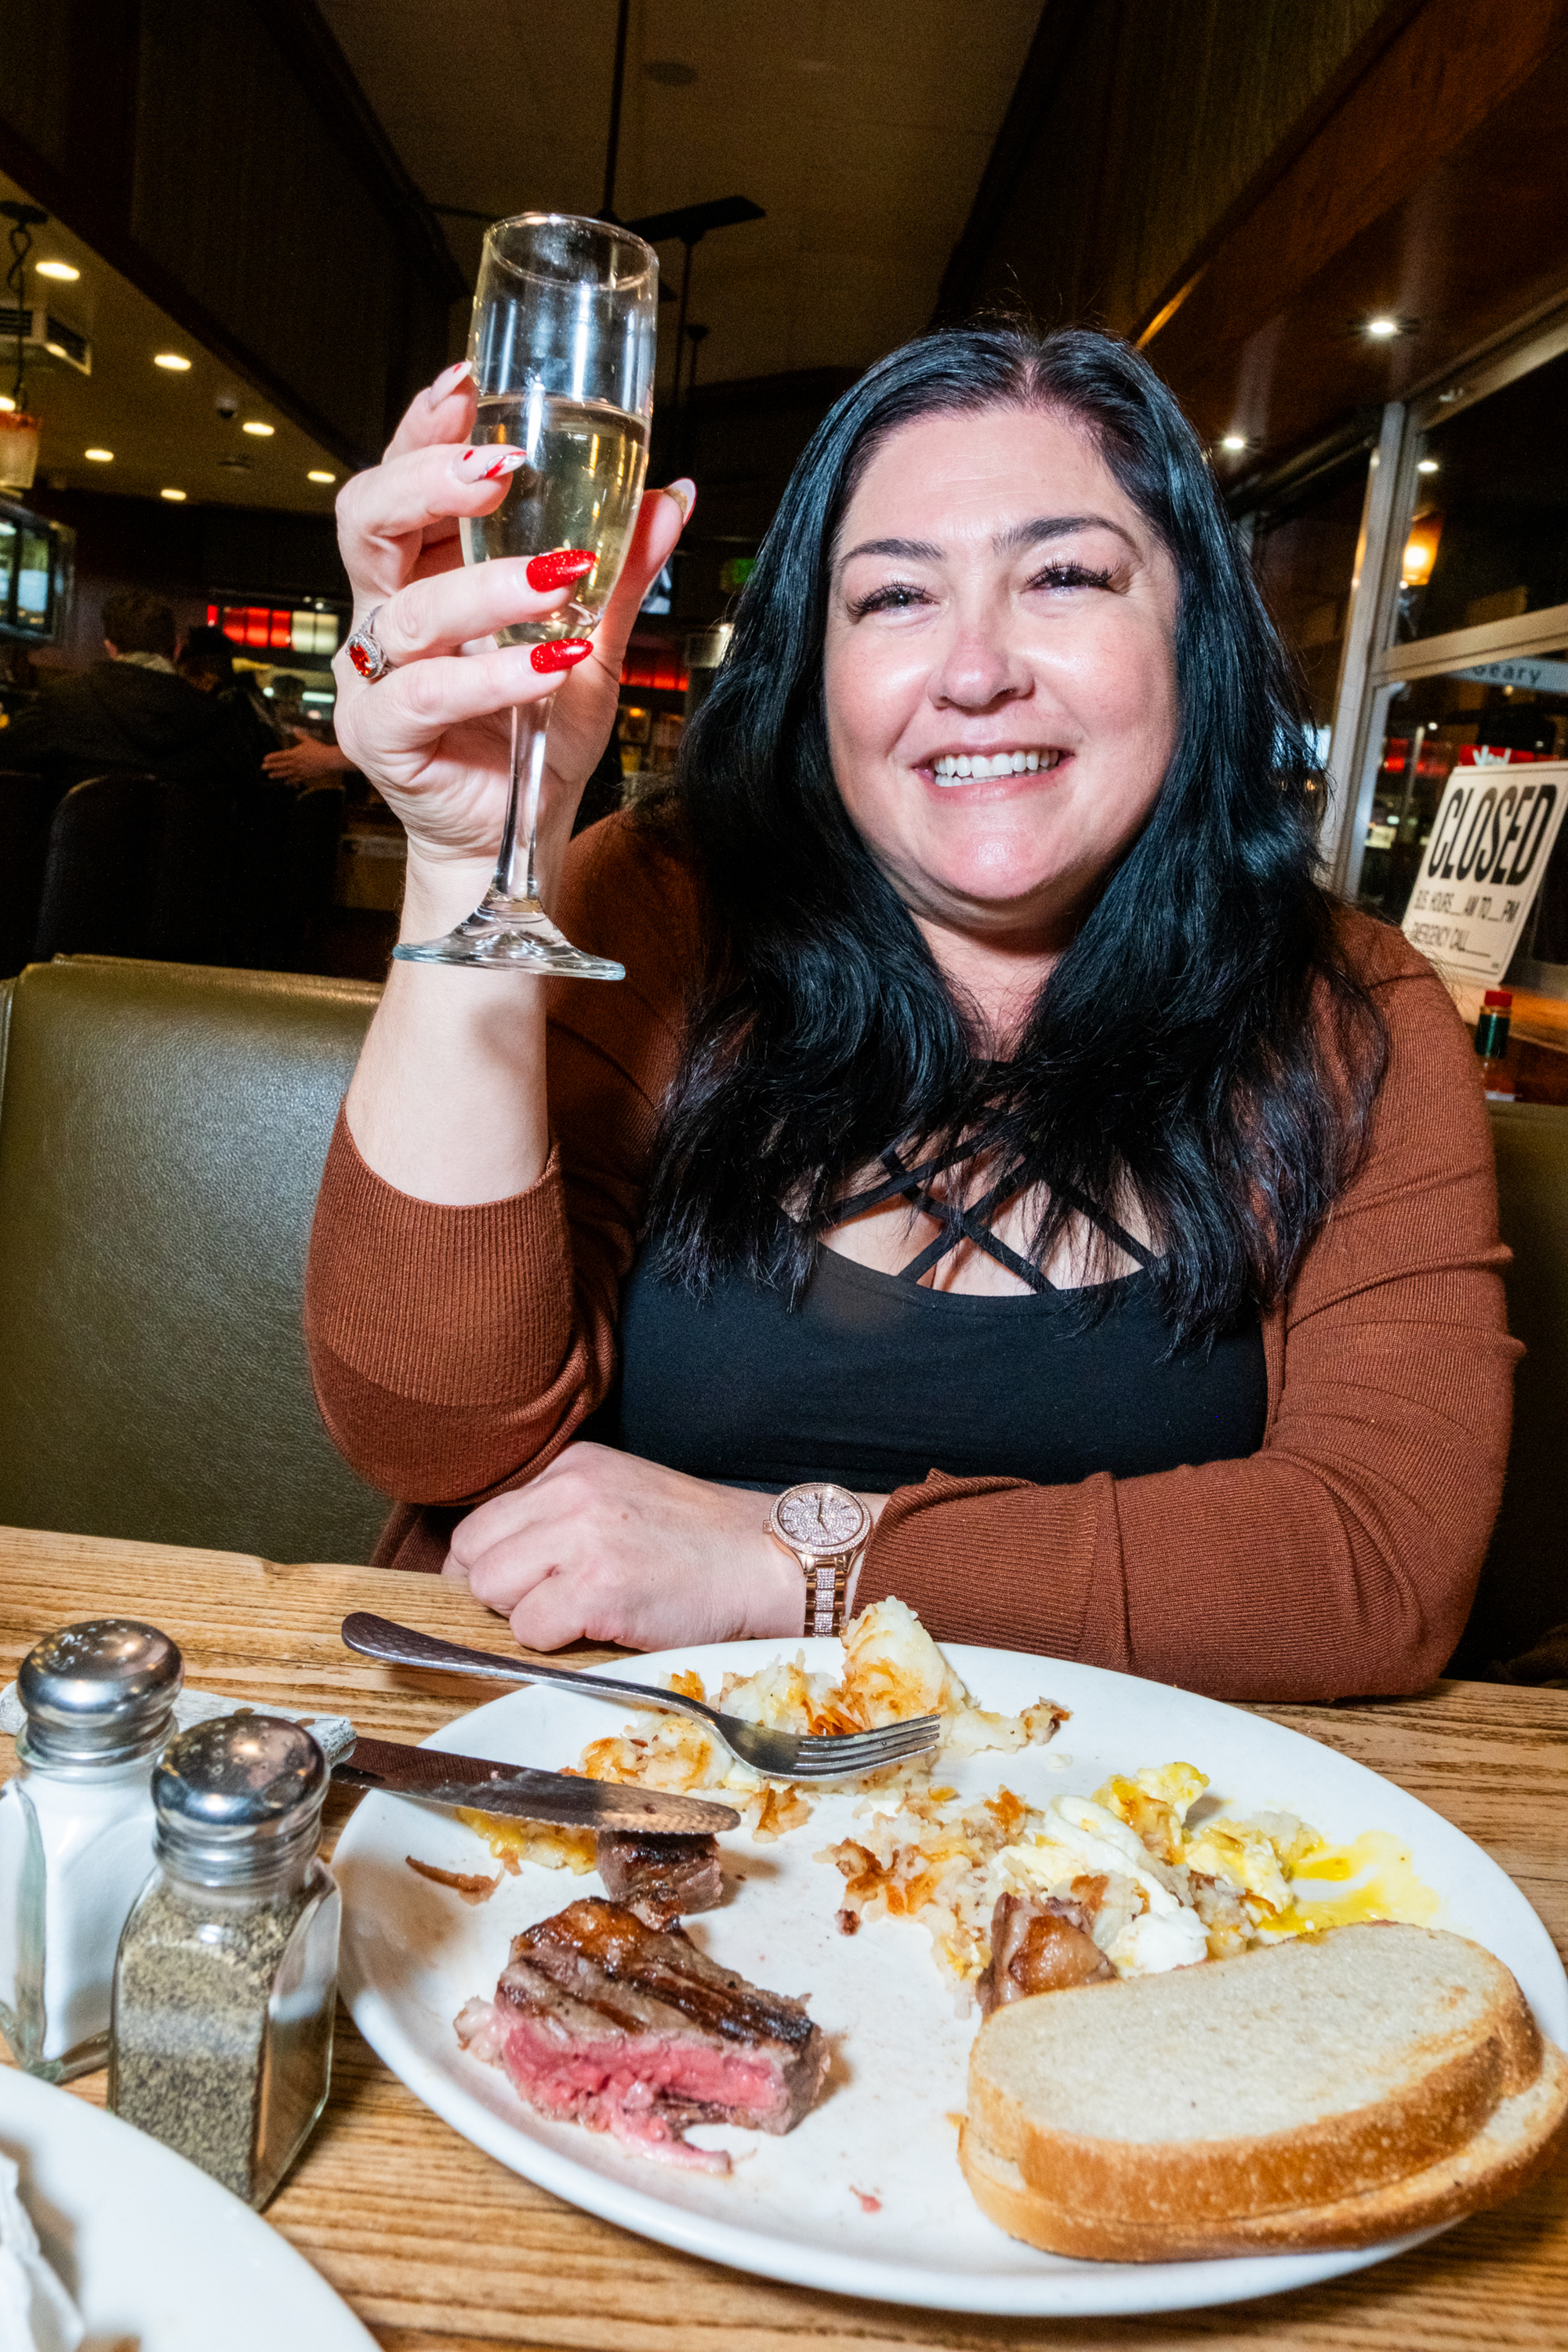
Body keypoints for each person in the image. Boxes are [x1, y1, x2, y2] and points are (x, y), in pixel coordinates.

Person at [304, 327, 1515, 1704]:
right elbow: (432, 1436)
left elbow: (1380, 1564)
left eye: (1063, 576)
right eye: (893, 600)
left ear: (1195, 631)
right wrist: (478, 858)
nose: (977, 668)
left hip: (1118, 1850)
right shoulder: (658, 905)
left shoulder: (1349, 1011)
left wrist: (800, 1565)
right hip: (603, 1778)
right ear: (814, 668)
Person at [5, 593, 263, 791]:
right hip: (178, 861)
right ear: (175, 649)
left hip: (75, 859)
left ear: (110, 648)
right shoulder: (217, 717)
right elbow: (250, 791)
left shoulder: (61, 701)